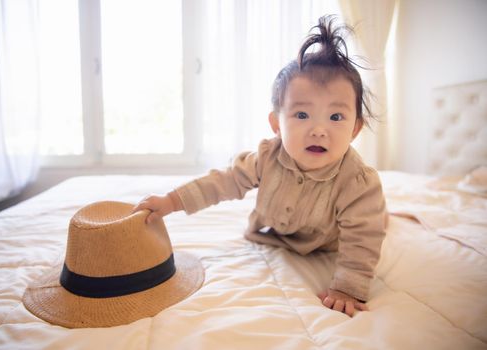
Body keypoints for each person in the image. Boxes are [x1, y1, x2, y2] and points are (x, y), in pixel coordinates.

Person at [134, 15, 387, 317]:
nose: (319, 130)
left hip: (326, 242)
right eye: (302, 115)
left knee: (372, 219)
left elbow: (362, 239)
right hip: (270, 232)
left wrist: (348, 287)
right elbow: (223, 182)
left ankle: (385, 215)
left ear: (355, 130)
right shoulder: (267, 157)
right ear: (276, 124)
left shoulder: (358, 182)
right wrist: (172, 201)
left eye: (336, 117)